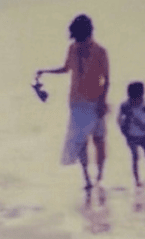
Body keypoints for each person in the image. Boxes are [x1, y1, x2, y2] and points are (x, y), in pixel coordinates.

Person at [36, 14, 109, 189]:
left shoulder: (100, 51)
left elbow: (106, 80)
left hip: (95, 101)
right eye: (76, 38)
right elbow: (66, 68)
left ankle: (99, 176)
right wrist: (45, 71)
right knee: (81, 143)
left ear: (88, 33)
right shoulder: (73, 49)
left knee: (99, 140)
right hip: (76, 103)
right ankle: (86, 178)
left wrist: (102, 102)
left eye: (80, 38)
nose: (78, 41)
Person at [117, 81, 145, 187]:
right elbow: (119, 119)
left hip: (144, 135)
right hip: (131, 136)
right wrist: (124, 132)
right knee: (135, 156)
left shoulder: (144, 103)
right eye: (137, 98)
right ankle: (137, 180)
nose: (139, 100)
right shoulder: (125, 106)